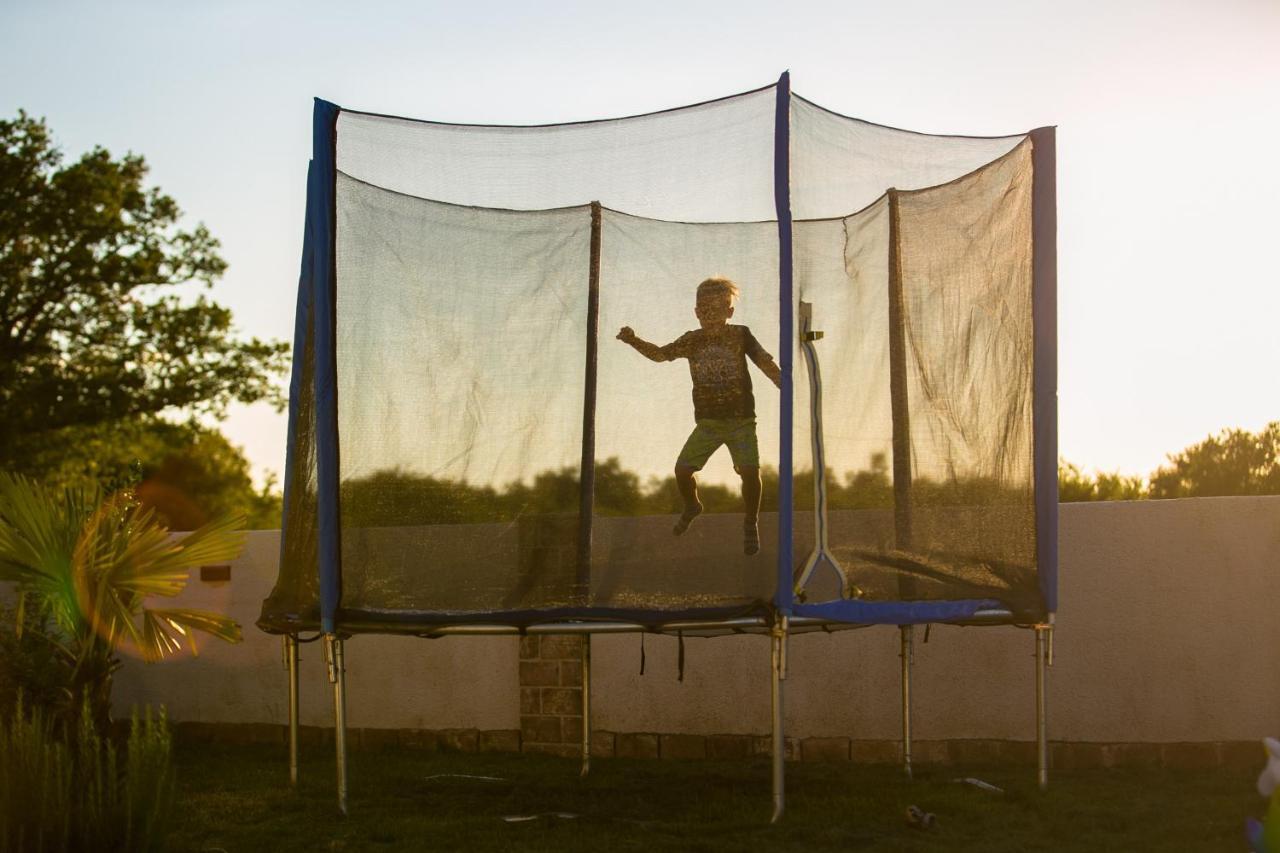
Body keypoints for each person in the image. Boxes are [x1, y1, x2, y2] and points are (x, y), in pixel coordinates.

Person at [617, 277, 781, 555]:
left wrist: (782, 382)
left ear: (730, 311)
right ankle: (693, 505)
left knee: (750, 472)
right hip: (708, 423)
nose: (711, 313)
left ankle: (750, 521)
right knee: (682, 471)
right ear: (696, 312)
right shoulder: (692, 340)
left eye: (719, 308)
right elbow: (660, 354)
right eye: (704, 308)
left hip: (740, 419)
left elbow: (763, 361)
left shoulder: (740, 334)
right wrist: (633, 340)